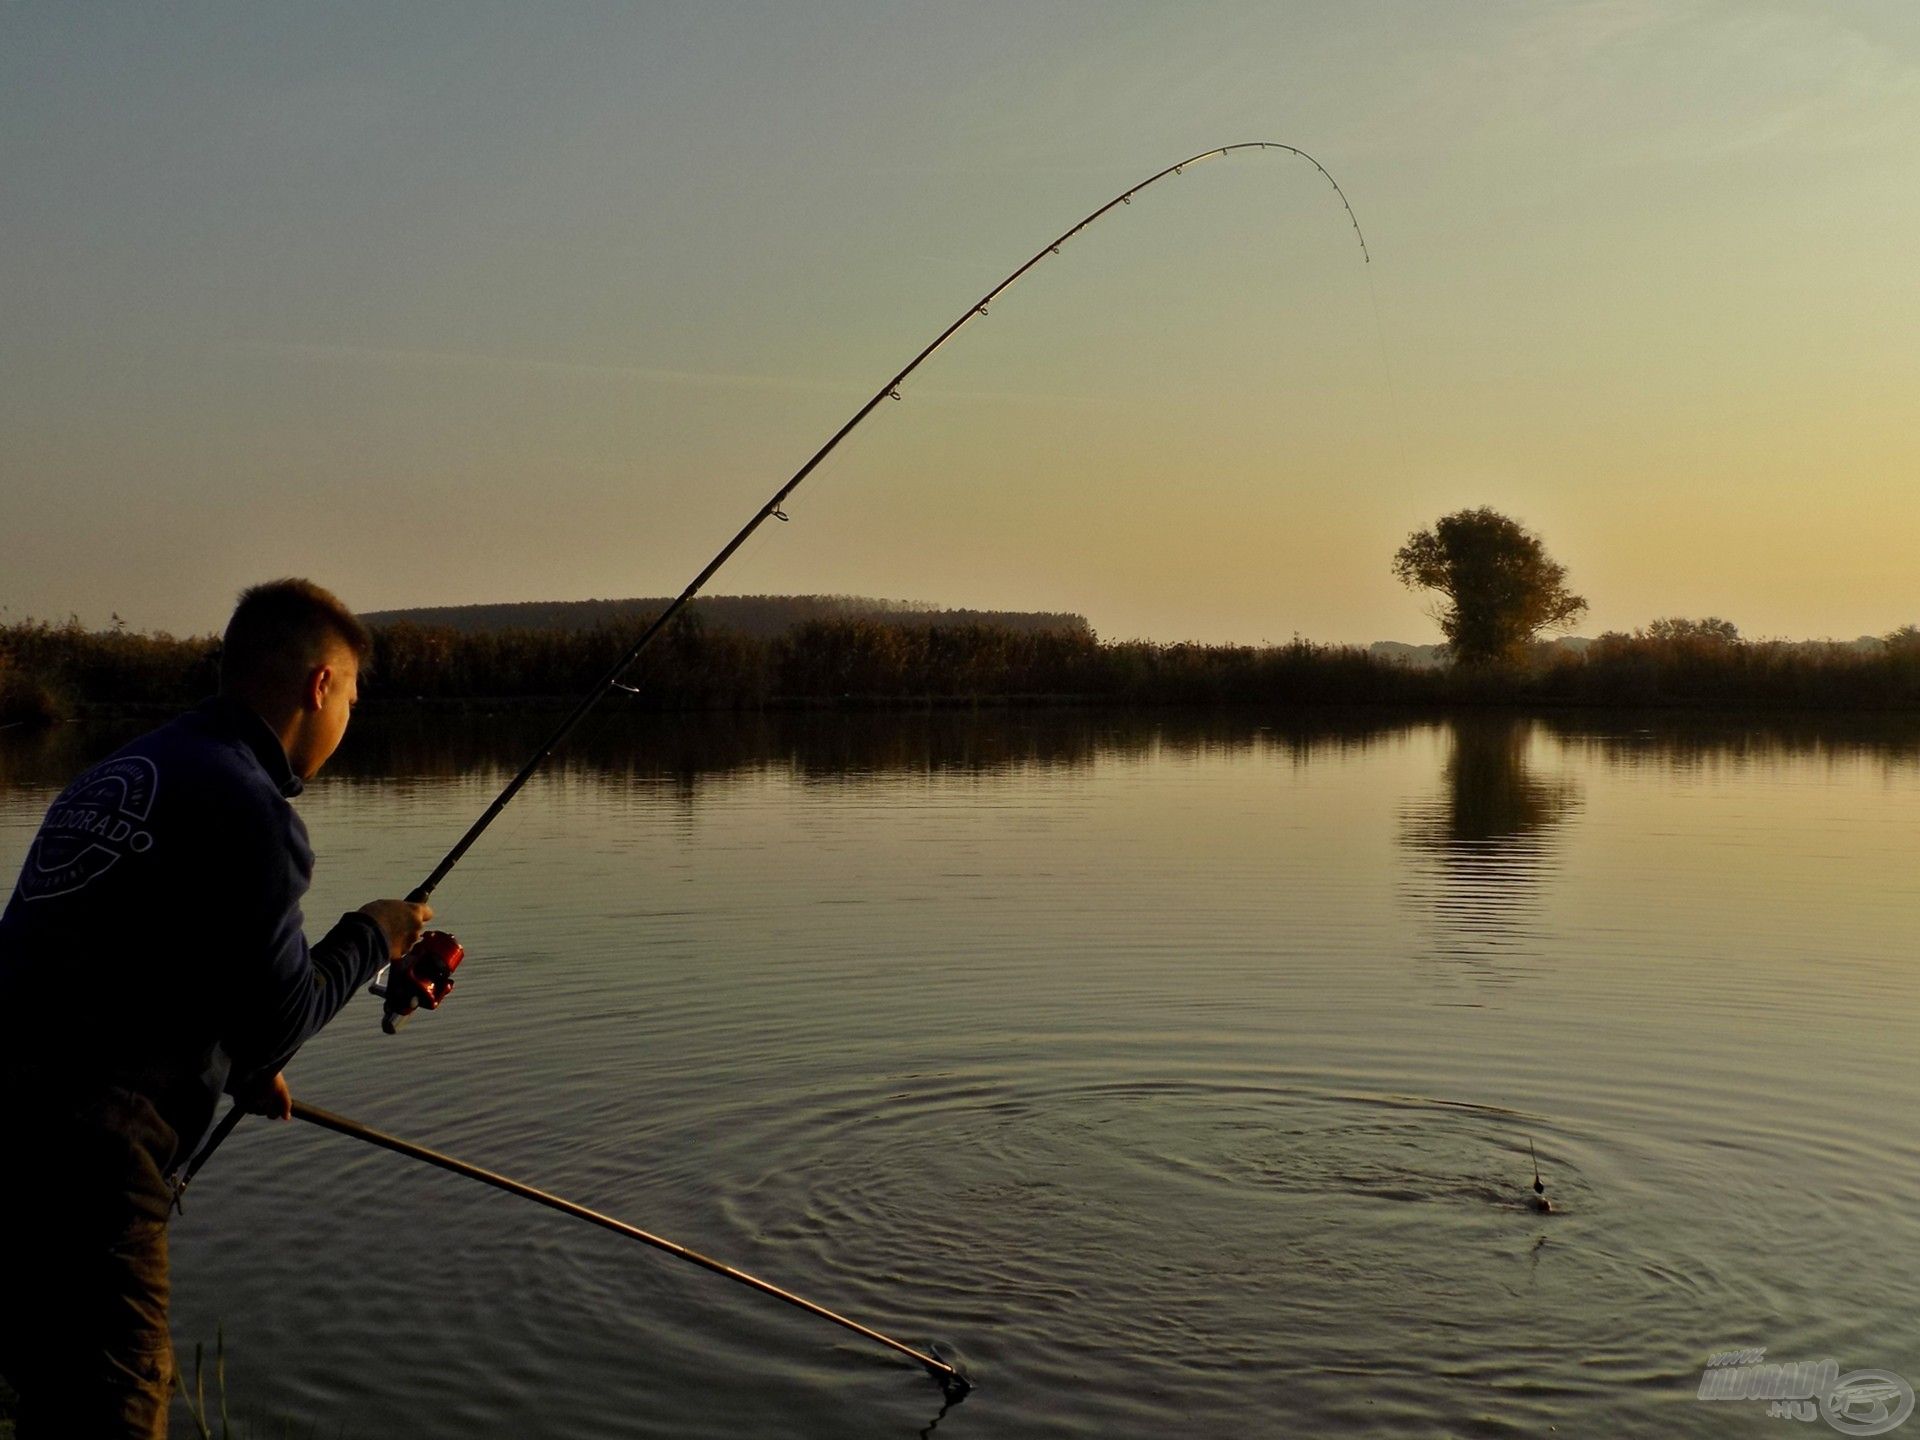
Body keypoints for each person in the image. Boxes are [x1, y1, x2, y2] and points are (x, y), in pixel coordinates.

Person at [0, 579, 431, 1438]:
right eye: (351, 695)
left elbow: (115, 963)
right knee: (114, 1412)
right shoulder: (247, 804)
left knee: (49, 1400)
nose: (348, 720)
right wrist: (374, 934)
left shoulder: (119, 774)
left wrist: (231, 1064)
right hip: (93, 1170)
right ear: (320, 687)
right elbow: (281, 1019)